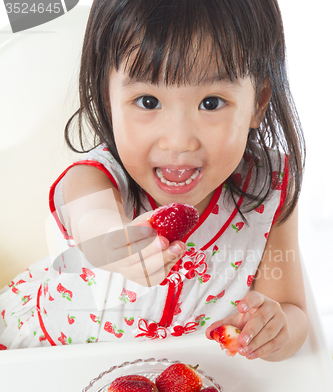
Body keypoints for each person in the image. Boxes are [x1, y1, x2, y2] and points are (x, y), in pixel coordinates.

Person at [0, 0, 308, 361]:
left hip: (172, 383)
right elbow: (92, 222)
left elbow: (291, 308)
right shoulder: (94, 179)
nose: (178, 140)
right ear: (108, 98)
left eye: (211, 103)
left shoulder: (269, 186)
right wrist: (114, 244)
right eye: (148, 101)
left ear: (258, 101)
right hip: (47, 360)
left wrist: (276, 330)